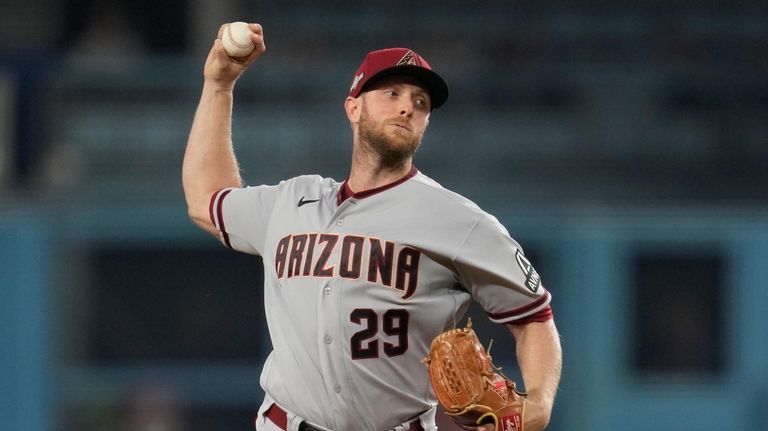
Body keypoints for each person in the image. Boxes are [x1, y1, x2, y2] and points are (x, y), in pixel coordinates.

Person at [183, 22, 562, 431]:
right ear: (354, 107)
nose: (407, 108)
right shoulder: (292, 202)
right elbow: (206, 200)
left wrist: (539, 402)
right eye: (392, 93)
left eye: (421, 102)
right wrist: (218, 87)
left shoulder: (459, 220)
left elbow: (535, 317)